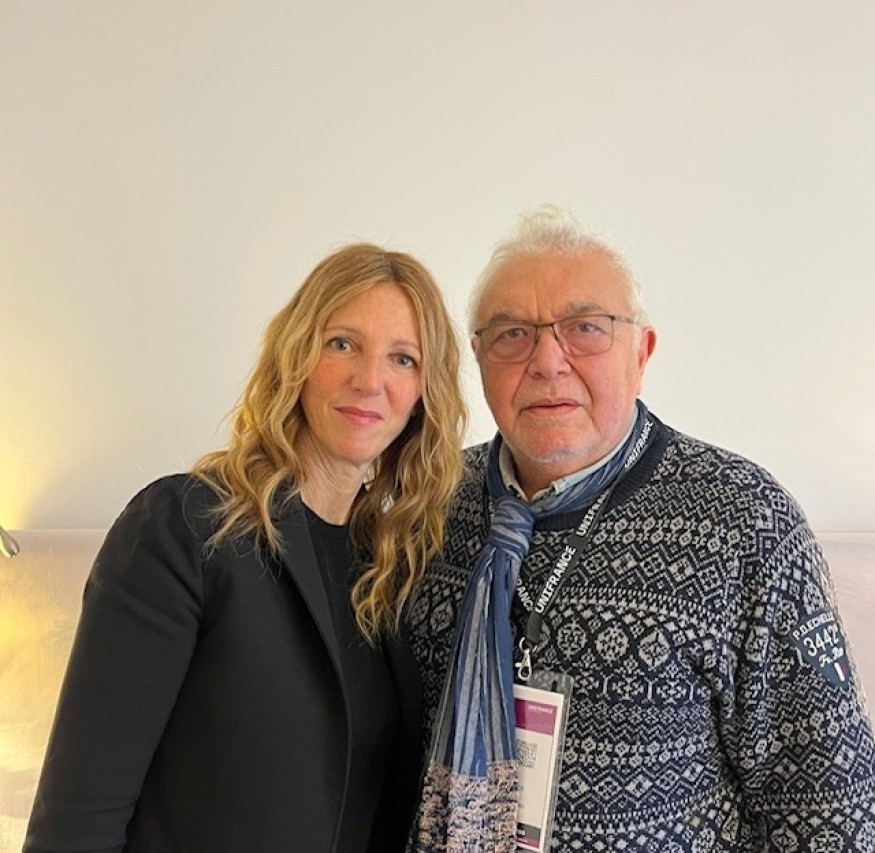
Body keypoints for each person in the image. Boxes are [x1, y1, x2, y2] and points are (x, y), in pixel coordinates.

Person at [407, 205, 875, 852]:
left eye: (585, 328)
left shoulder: (744, 518)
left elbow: (829, 803)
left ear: (641, 351)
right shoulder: (428, 505)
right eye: (512, 334)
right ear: (479, 357)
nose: (547, 361)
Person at [24, 243, 467, 853]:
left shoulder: (393, 566)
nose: (370, 381)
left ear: (424, 392)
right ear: (297, 355)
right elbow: (77, 820)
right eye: (342, 344)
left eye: (403, 358)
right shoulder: (185, 527)